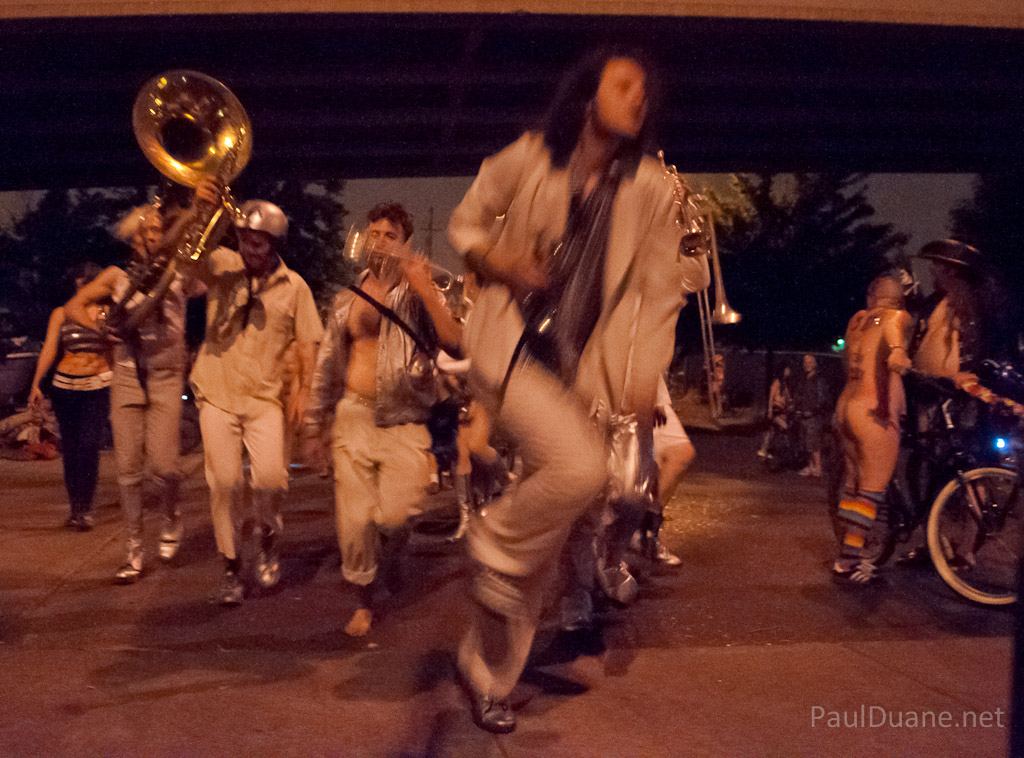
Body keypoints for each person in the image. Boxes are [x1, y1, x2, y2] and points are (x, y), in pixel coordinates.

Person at [448, 49, 702, 733]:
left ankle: (487, 671)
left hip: (577, 374)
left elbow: (658, 294)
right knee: (581, 471)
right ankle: (489, 546)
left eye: (647, 92)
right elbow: (465, 224)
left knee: (543, 546)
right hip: (511, 352)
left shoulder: (648, 189)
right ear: (588, 97)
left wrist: (644, 378)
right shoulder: (532, 157)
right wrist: (503, 260)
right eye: (624, 86)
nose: (639, 98)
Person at [305, 202, 461, 636]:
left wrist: (426, 289)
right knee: (355, 522)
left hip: (406, 419)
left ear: (405, 244)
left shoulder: (420, 292)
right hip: (353, 415)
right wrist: (314, 423)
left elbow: (456, 343)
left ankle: (391, 560)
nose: (379, 243)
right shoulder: (345, 300)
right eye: (374, 234)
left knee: (397, 516)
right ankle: (364, 599)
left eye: (390, 236)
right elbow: (327, 362)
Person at [188, 187, 323, 606]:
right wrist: (200, 213)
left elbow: (309, 344)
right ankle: (230, 566)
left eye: (258, 241)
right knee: (224, 483)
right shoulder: (223, 266)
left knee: (270, 478)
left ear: (274, 244)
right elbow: (185, 260)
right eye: (244, 238)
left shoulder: (295, 287)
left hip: (265, 399)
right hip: (217, 392)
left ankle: (266, 536)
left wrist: (302, 389)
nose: (250, 247)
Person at [65, 203, 197, 583]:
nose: (153, 236)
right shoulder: (115, 277)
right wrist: (99, 329)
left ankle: (171, 515)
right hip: (125, 375)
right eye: (147, 231)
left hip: (165, 375)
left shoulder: (179, 270)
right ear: (135, 237)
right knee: (126, 472)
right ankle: (133, 552)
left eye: (159, 230)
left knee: (165, 466)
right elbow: (74, 306)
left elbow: (202, 278)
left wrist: (194, 214)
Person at [832, 275, 911, 584]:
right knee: (870, 491)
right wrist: (897, 350)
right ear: (896, 299)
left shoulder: (857, 323)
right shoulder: (894, 316)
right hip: (874, 413)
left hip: (845, 409)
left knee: (852, 487)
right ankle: (850, 561)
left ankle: (847, 554)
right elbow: (893, 324)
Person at [28, 262, 111, 530]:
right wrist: (36, 384)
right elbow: (50, 350)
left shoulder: (105, 312)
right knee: (72, 450)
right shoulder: (62, 314)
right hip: (65, 387)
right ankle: (76, 508)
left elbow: (114, 349)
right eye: (77, 282)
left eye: (85, 282)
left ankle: (86, 507)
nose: (80, 287)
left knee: (89, 447)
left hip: (96, 386)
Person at [794, 354, 830, 477]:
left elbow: (822, 400)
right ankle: (810, 466)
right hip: (804, 415)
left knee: (814, 444)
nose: (807, 364)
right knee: (807, 443)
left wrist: (813, 411)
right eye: (805, 362)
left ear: (815, 364)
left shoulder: (818, 381)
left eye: (810, 362)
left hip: (814, 417)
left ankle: (818, 468)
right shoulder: (804, 380)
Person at [758, 364, 792, 458]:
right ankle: (789, 450)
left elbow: (787, 398)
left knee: (772, 431)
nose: (788, 372)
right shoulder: (777, 382)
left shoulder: (785, 384)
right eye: (787, 370)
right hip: (775, 410)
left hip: (782, 410)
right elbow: (771, 396)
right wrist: (769, 411)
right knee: (785, 427)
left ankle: (764, 449)